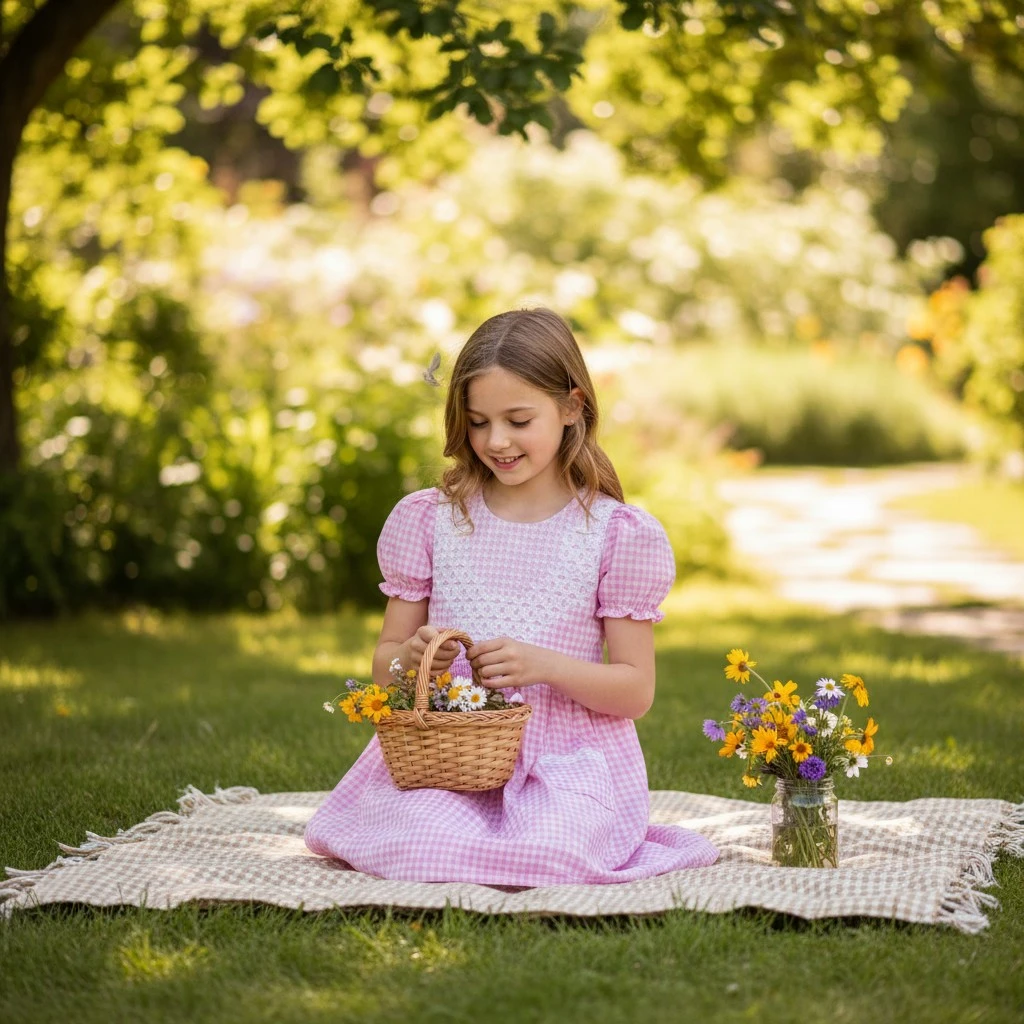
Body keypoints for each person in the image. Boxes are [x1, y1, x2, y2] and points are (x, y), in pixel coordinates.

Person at [304, 307, 719, 884]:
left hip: (566, 767)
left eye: (518, 420)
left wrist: (545, 666)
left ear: (572, 406)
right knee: (420, 843)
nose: (495, 441)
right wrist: (414, 658)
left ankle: (532, 842)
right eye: (477, 422)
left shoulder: (614, 534)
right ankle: (448, 839)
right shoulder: (432, 520)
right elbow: (383, 668)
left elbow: (635, 691)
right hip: (450, 762)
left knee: (553, 853)